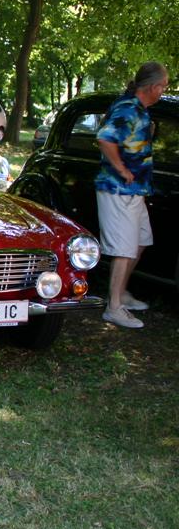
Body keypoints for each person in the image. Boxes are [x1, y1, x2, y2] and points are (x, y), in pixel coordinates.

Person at [95, 61, 168, 329]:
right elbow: (105, 138)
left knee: (140, 241)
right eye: (163, 85)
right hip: (118, 190)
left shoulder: (139, 109)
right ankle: (113, 308)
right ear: (151, 86)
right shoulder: (128, 109)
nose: (164, 90)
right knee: (124, 249)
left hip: (135, 191)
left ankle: (122, 293)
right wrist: (122, 169)